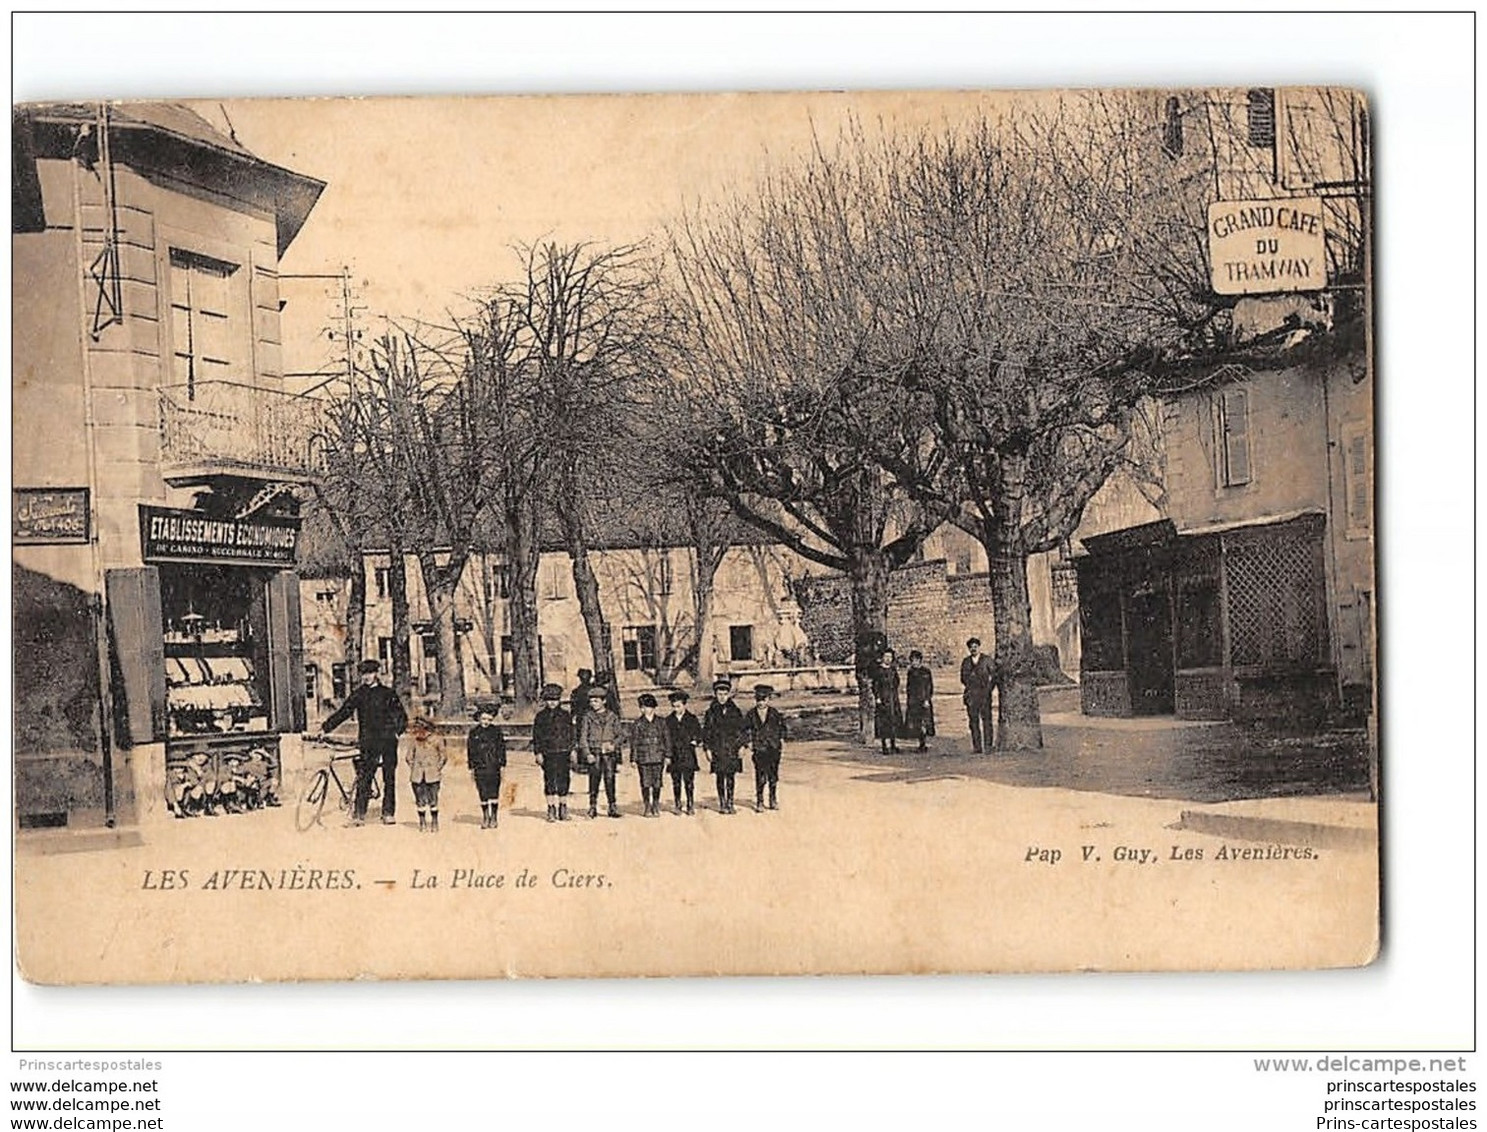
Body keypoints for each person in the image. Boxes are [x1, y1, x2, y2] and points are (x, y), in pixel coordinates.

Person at [322, 659, 408, 826]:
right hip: (368, 741)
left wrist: (397, 731)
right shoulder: (359, 694)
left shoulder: (388, 693)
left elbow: (402, 716)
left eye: (370, 673)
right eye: (363, 674)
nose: (366, 677)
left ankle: (388, 813)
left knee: (389, 778)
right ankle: (359, 814)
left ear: (376, 674)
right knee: (364, 776)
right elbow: (344, 712)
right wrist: (326, 728)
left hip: (388, 741)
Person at [578, 685, 624, 819]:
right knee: (594, 780)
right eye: (591, 701)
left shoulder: (612, 716)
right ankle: (592, 807)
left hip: (609, 754)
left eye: (596, 701)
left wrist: (613, 744)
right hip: (594, 752)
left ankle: (612, 806)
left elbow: (621, 735)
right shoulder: (587, 717)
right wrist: (587, 754)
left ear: (604, 701)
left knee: (610, 779)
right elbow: (583, 738)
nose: (593, 704)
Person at [701, 678, 746, 814]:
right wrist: (707, 749)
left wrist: (742, 746)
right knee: (720, 776)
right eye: (719, 694)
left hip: (732, 748)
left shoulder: (735, 711)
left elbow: (741, 730)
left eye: (725, 694)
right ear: (715, 694)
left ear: (729, 694)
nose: (722, 697)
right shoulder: (711, 712)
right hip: (718, 749)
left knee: (731, 777)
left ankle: (730, 803)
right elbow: (706, 732)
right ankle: (722, 803)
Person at [532, 683, 575, 822]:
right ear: (545, 700)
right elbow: (536, 736)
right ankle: (551, 808)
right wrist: (538, 752)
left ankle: (563, 807)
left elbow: (571, 733)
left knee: (564, 779)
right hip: (548, 753)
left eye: (555, 700)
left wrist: (572, 749)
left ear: (559, 700)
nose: (552, 703)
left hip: (563, 751)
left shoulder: (565, 715)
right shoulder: (540, 717)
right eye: (549, 699)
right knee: (549, 779)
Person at [742, 684, 787, 812]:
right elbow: (744, 730)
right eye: (758, 700)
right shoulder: (751, 714)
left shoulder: (774, 713)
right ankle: (760, 800)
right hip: (759, 748)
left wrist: (782, 739)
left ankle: (772, 799)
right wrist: (748, 742)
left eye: (764, 699)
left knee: (773, 775)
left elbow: (783, 727)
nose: (761, 703)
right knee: (760, 775)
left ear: (769, 699)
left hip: (773, 748)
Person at [628, 693, 670, 818]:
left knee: (657, 783)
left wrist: (668, 755)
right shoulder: (638, 723)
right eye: (642, 707)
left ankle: (655, 805)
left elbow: (667, 739)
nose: (645, 709)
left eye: (647, 707)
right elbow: (634, 742)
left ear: (653, 708)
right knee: (645, 783)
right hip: (643, 757)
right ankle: (647, 806)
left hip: (658, 756)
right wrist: (633, 759)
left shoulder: (661, 722)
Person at [466, 703, 508, 829]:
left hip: (494, 766)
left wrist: (502, 765)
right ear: (479, 718)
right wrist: (472, 767)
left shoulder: (496, 732)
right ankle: (485, 816)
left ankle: (494, 816)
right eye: (484, 719)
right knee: (482, 792)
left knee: (494, 792)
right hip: (480, 767)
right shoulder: (474, 733)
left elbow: (501, 749)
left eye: (489, 720)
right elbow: (470, 750)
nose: (486, 722)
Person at [407, 714, 447, 833]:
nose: (419, 731)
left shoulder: (437, 740)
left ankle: (434, 821)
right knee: (420, 799)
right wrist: (414, 766)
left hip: (433, 775)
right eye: (417, 728)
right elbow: (409, 757)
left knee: (433, 799)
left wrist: (437, 767)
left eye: (422, 728)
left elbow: (443, 756)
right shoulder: (414, 741)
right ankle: (422, 822)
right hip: (417, 775)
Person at [665, 689, 703, 815]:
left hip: (688, 755)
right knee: (676, 782)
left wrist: (695, 741)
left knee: (689, 782)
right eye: (674, 706)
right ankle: (677, 804)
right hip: (674, 755)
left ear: (685, 705)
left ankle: (690, 804)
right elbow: (665, 737)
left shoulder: (692, 718)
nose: (676, 709)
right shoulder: (669, 720)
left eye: (678, 706)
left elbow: (699, 734)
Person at [960, 637, 997, 754]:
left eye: (975, 647)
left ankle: (988, 745)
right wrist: (971, 683)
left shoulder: (987, 660)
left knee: (987, 721)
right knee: (973, 722)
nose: (973, 649)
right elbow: (963, 678)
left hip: (984, 695)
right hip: (971, 696)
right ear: (969, 649)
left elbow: (994, 676)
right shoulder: (966, 662)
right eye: (971, 647)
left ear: (979, 647)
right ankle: (977, 747)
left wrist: (988, 689)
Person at [871, 648, 904, 755]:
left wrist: (894, 694)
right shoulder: (878, 671)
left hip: (893, 698)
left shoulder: (893, 670)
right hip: (883, 699)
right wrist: (878, 698)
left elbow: (897, 682)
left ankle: (893, 744)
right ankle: (884, 745)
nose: (888, 659)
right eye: (886, 657)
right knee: (884, 722)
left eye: (890, 657)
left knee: (894, 721)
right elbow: (875, 686)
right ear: (882, 658)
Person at [904, 650, 936, 752]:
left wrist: (927, 699)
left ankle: (923, 743)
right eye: (912, 660)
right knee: (915, 723)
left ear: (920, 660)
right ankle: (920, 743)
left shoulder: (926, 671)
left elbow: (929, 686)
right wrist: (909, 700)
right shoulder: (910, 672)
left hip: (924, 700)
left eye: (916, 660)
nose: (914, 662)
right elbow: (909, 687)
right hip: (914, 701)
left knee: (924, 722)